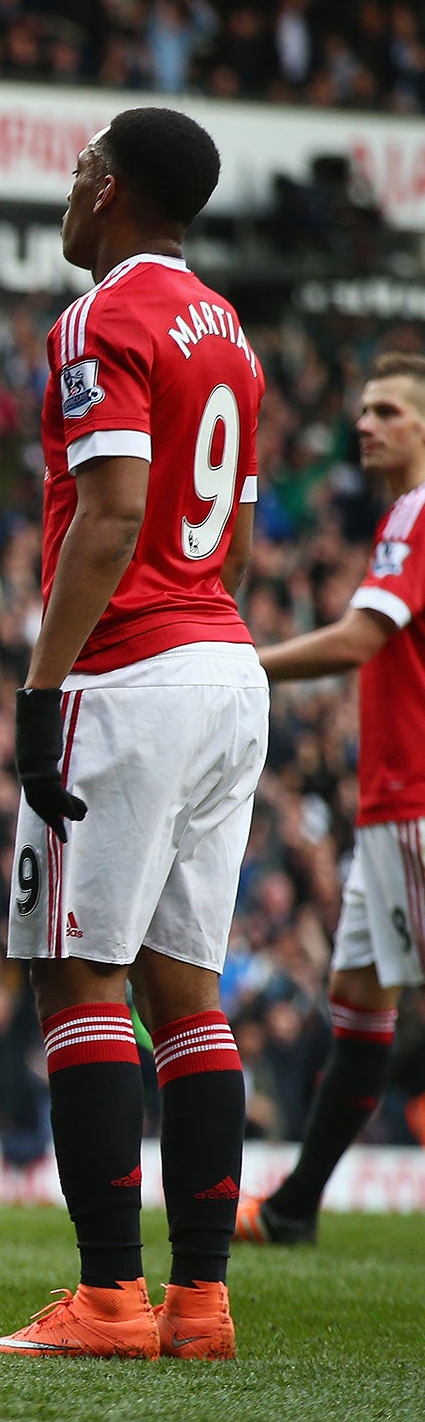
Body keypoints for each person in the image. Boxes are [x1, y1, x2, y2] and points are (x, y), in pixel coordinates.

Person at [0, 109, 265, 1361]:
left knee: (76, 975)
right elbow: (235, 534)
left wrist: (42, 689)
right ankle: (198, 1304)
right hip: (222, 661)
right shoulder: (231, 334)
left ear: (103, 190)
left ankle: (104, 1302)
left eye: (75, 170)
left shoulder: (101, 321)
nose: (66, 188)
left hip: (128, 672)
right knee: (185, 992)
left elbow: (108, 516)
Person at [236, 353, 425, 1246]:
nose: (367, 424)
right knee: (359, 1001)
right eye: (363, 410)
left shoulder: (419, 516)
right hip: (388, 811)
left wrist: (246, 662)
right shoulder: (398, 519)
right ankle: (296, 1207)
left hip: (417, 806)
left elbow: (357, 641)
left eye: (388, 410)